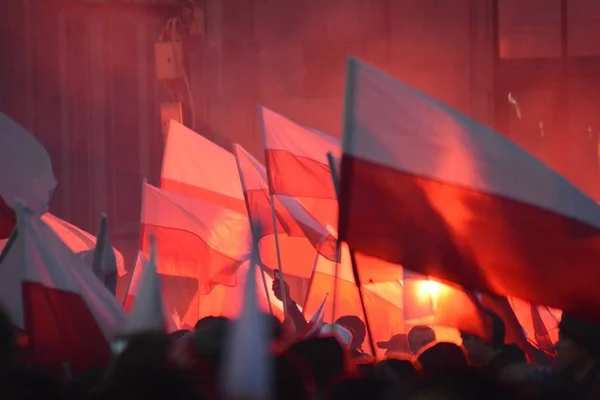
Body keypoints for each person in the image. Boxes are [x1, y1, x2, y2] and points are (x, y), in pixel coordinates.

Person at [272, 273, 367, 357]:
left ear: (357, 346)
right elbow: (304, 329)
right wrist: (286, 299)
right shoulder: (305, 367)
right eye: (331, 336)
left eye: (346, 334)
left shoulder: (363, 371)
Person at [460, 309, 526, 379]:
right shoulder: (493, 373)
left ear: (484, 337)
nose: (462, 343)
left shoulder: (508, 378)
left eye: (465, 338)